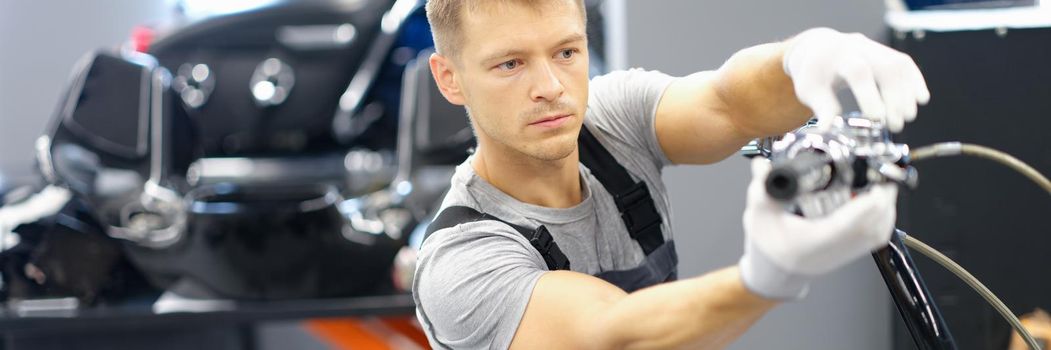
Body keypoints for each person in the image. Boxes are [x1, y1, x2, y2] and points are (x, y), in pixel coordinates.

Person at [412, 0, 930, 349]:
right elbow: (614, 335)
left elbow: (728, 102)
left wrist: (799, 59)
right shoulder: (460, 261)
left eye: (566, 52)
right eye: (510, 64)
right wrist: (766, 278)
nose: (550, 86)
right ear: (450, 78)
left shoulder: (609, 120)